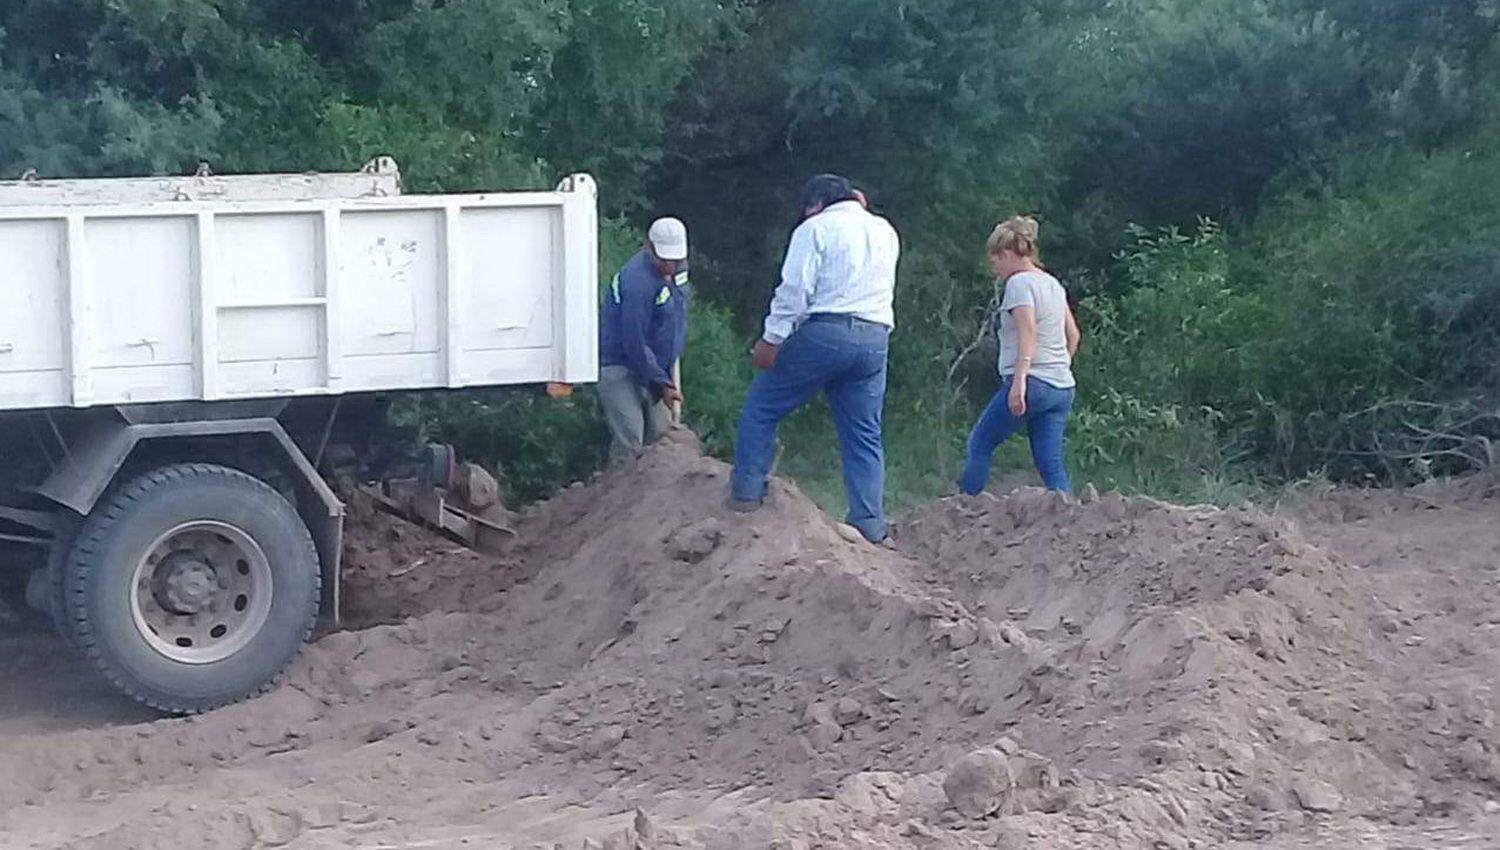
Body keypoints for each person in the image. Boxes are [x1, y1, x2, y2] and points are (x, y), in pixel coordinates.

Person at [729, 174, 901, 544]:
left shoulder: (815, 229)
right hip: (875, 337)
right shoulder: (885, 230)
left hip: (827, 330)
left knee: (762, 406)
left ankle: (745, 493)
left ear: (817, 204)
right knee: (864, 433)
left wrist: (771, 339)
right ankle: (870, 523)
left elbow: (795, 289)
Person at [959, 215, 1081, 495]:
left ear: (1007, 254)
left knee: (980, 442)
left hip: (1033, 382)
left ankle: (963, 510)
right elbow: (1073, 335)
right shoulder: (1052, 283)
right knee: (1050, 463)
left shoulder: (1019, 285)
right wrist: (1060, 366)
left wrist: (1020, 382)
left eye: (996, 261)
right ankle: (1070, 517)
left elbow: (1028, 333)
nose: (996, 269)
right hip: (1062, 385)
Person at [597, 217, 690, 464]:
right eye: (664, 259)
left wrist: (668, 363)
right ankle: (619, 496)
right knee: (631, 439)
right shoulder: (636, 283)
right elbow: (634, 342)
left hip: (658, 366)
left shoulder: (679, 269)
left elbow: (676, 312)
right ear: (649, 247)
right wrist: (663, 383)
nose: (670, 265)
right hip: (619, 363)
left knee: (665, 437)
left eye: (675, 259)